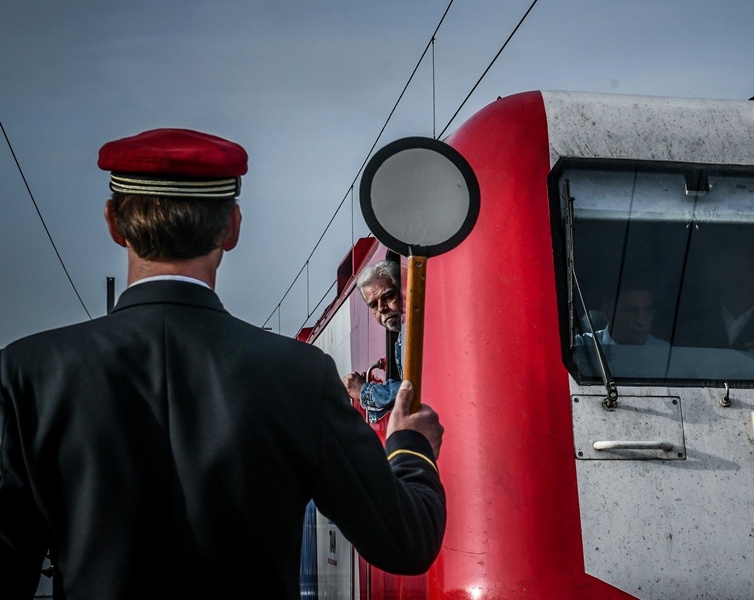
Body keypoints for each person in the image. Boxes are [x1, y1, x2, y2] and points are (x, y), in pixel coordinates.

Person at [0, 128, 446, 599]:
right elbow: (406, 542)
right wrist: (409, 445)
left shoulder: (27, 374)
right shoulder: (299, 374)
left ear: (113, 222)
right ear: (232, 227)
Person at [675, 239, 754, 355]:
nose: (742, 276)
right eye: (735, 266)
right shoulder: (691, 324)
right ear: (722, 273)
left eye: (751, 268)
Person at [343, 259, 404, 423]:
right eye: (374, 305)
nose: (382, 308)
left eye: (388, 296)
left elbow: (419, 389)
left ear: (404, 291)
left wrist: (364, 391)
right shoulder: (401, 339)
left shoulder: (421, 330)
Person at [575, 283, 669, 348]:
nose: (641, 321)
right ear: (608, 312)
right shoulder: (582, 348)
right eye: (631, 311)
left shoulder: (664, 353)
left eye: (648, 310)